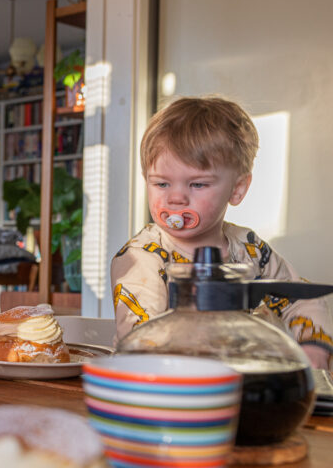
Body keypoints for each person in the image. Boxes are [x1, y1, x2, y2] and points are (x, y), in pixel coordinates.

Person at [111, 95, 332, 370]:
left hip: (244, 386)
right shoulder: (143, 256)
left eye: (198, 185)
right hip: (170, 387)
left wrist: (314, 346)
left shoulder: (249, 249)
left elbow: (300, 297)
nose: (176, 198)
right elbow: (141, 342)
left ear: (237, 188)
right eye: (162, 184)